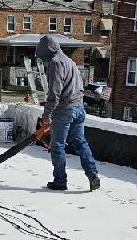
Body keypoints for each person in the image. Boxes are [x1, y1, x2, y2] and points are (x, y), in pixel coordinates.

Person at [36, 34, 100, 191]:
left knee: (57, 145)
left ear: (46, 52)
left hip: (65, 110)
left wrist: (47, 114)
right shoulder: (69, 61)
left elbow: (54, 94)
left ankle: (60, 181)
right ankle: (93, 175)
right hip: (79, 107)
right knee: (80, 142)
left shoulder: (55, 63)